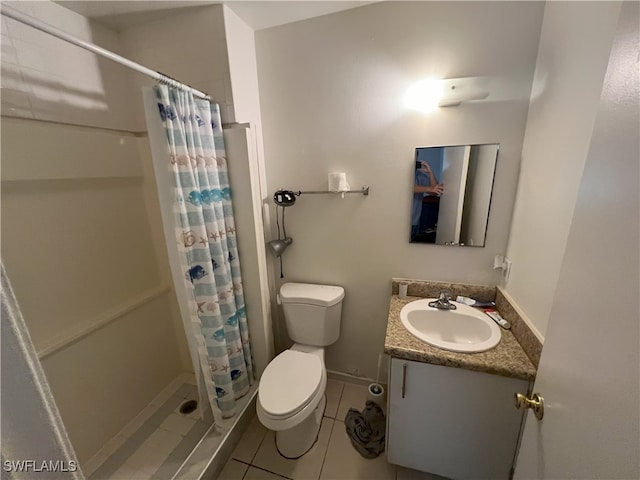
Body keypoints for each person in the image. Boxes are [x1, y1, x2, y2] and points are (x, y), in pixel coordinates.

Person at [411, 161, 444, 241]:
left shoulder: (420, 175)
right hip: (397, 220)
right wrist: (429, 188)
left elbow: (435, 191)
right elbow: (408, 187)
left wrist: (430, 173)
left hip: (414, 221)